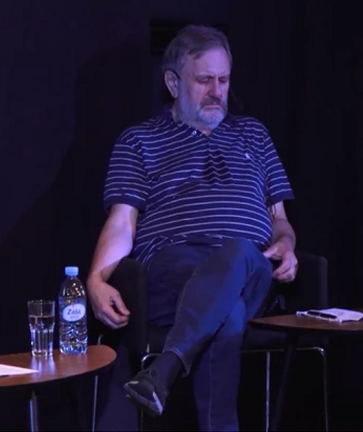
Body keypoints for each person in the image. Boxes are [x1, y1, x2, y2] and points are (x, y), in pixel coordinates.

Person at [87, 25, 298, 431]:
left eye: (224, 80)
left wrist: (286, 245)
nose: (217, 91)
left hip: (252, 269)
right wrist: (96, 279)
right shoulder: (139, 141)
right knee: (228, 311)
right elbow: (122, 223)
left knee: (238, 252)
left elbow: (281, 221)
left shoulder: (254, 134)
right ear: (172, 82)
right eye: (204, 80)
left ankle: (163, 371)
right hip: (175, 270)